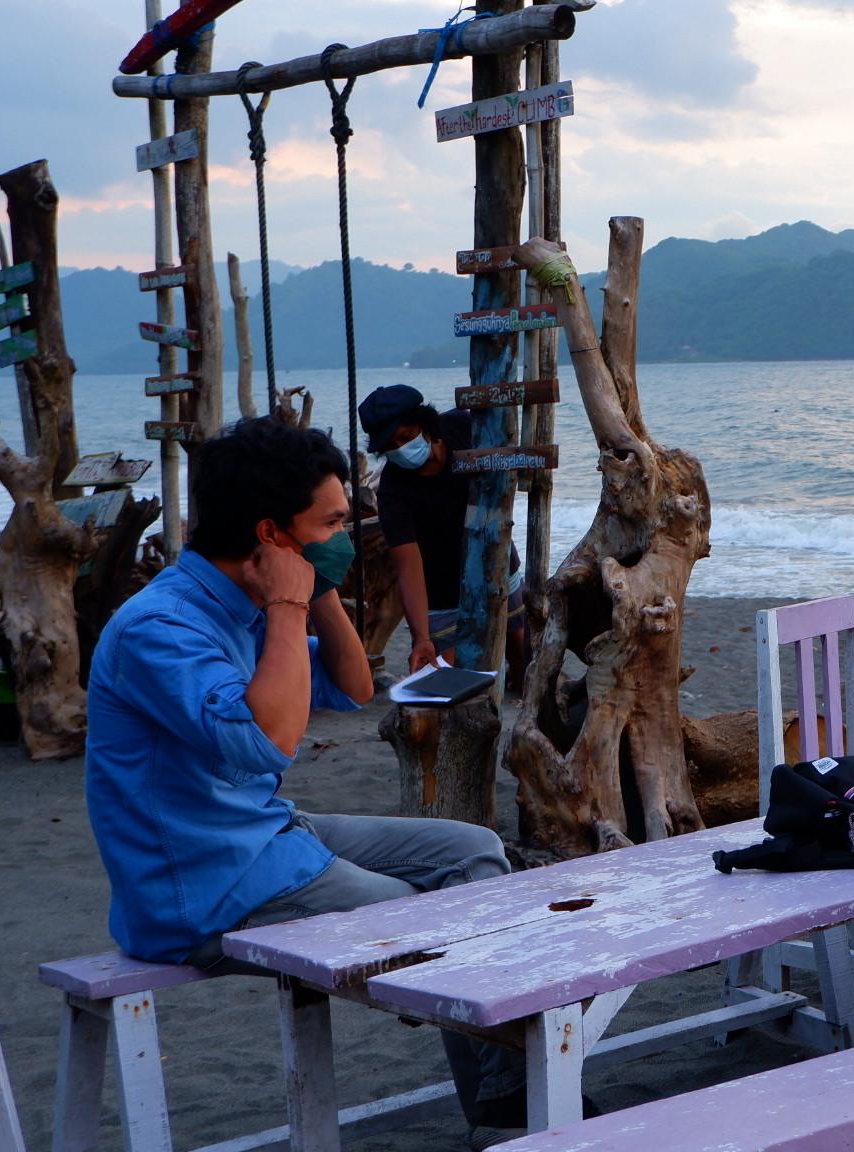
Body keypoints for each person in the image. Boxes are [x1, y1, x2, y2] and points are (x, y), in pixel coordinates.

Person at [83, 417, 528, 1142]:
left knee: (471, 851)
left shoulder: (248, 602)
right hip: (204, 888)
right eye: (333, 522)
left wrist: (313, 585)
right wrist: (290, 602)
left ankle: (505, 1089)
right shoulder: (160, 628)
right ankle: (512, 1107)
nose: (351, 533)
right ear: (271, 534)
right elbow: (266, 741)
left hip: (264, 834)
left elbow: (353, 685)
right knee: (435, 922)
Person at [357, 384, 526, 686]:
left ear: (425, 425)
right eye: (391, 447)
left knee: (519, 649)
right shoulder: (394, 492)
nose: (401, 450)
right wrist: (421, 637)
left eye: (406, 438)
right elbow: (409, 566)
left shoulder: (464, 428)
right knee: (444, 679)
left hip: (494, 559)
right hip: (439, 587)